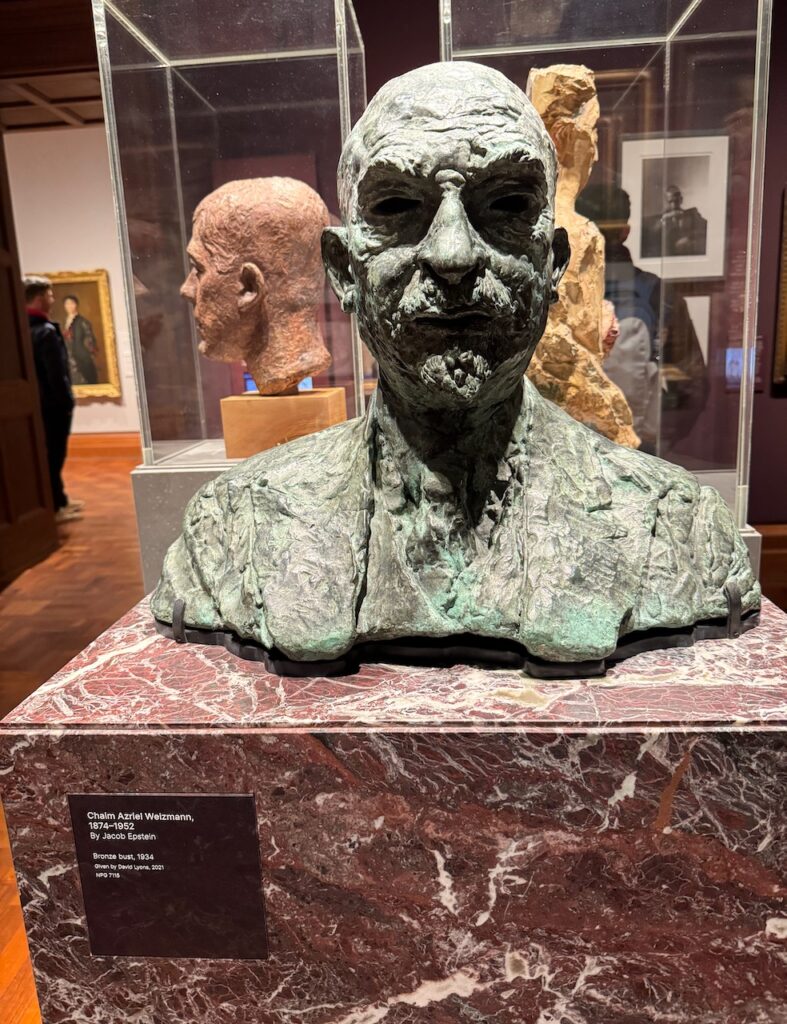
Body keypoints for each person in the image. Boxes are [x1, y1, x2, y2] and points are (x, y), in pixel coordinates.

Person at [152, 63, 757, 672]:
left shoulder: (675, 526)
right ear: (343, 270)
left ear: (553, 263)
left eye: (506, 204)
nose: (452, 253)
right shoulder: (234, 527)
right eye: (397, 205)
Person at [577, 183, 708, 453]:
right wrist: (653, 437)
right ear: (625, 232)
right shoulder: (659, 293)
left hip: (570, 445)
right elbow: (693, 383)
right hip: (636, 448)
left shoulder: (557, 291)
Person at [24, 276, 83, 522]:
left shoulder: (23, 329)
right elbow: (55, 374)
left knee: (50, 454)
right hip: (53, 405)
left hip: (39, 404)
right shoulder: (45, 332)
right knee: (55, 453)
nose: (53, 299)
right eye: (49, 295)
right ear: (39, 298)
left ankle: (59, 499)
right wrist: (66, 402)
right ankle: (55, 506)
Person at [642, 183, 707, 259]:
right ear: (667, 202)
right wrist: (664, 218)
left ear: (681, 199)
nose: (673, 205)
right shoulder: (662, 218)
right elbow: (651, 232)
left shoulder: (691, 214)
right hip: (669, 255)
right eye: (670, 201)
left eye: (676, 201)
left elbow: (706, 227)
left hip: (687, 254)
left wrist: (689, 237)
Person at [62, 295, 99, 385]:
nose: (69, 306)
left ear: (76, 305)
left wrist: (89, 351)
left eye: (72, 303)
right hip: (68, 356)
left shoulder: (82, 321)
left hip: (81, 357)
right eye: (67, 304)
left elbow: (90, 339)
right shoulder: (64, 321)